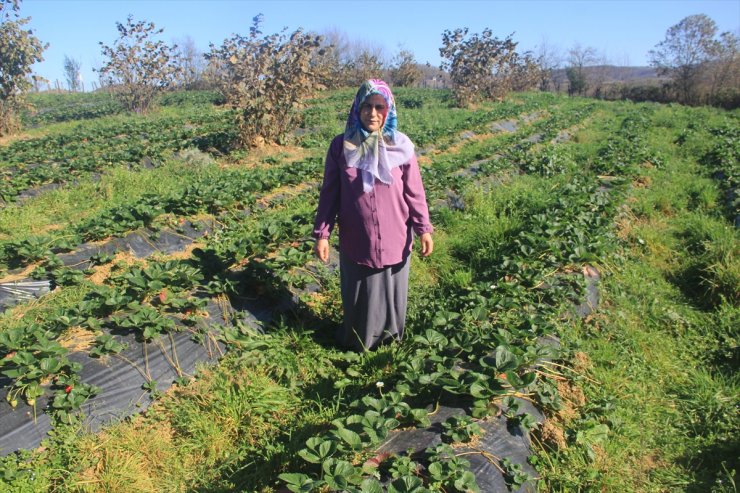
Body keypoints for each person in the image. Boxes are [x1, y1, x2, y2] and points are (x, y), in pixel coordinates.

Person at [313, 79, 434, 351]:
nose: (373, 113)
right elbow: (330, 193)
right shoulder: (341, 147)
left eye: (380, 106)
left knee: (393, 291)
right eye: (367, 106)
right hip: (358, 236)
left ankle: (390, 343)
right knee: (359, 291)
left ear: (389, 110)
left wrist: (423, 228)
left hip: (395, 233)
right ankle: (358, 343)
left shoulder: (401, 147)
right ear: (357, 108)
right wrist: (322, 233)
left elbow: (414, 192)